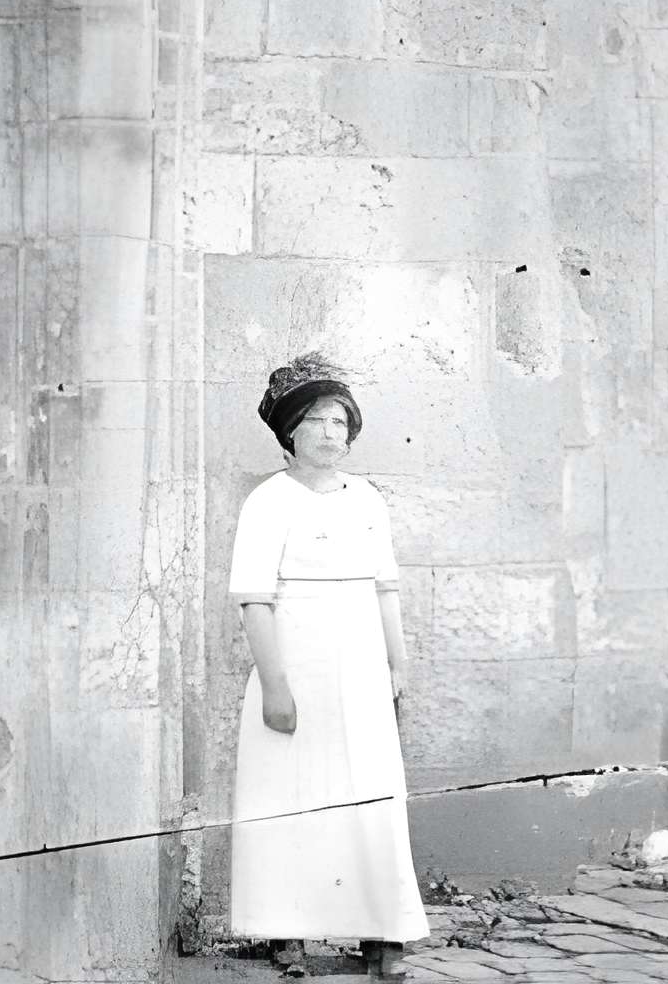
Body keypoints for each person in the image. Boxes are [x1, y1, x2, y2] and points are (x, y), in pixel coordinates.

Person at [226, 354, 427, 979]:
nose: (330, 432)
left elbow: (385, 587)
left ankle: (382, 931)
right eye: (315, 420)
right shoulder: (267, 501)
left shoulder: (367, 497)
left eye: (340, 421)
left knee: (370, 794)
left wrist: (397, 664)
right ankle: (284, 927)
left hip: (361, 665)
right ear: (290, 432)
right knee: (291, 793)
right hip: (297, 664)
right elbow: (255, 600)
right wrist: (275, 688)